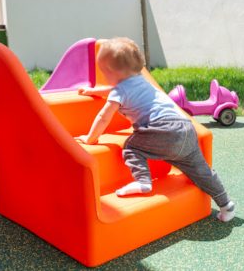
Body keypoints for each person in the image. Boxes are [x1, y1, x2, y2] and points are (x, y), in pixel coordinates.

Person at [75, 37, 235, 222]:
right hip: (185, 128)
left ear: (113, 72)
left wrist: (90, 138)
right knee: (203, 172)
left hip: (163, 130)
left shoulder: (119, 91)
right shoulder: (142, 82)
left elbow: (104, 117)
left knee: (131, 147)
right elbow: (116, 91)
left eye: (103, 71)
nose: (102, 75)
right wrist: (95, 92)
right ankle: (226, 204)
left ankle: (143, 181)